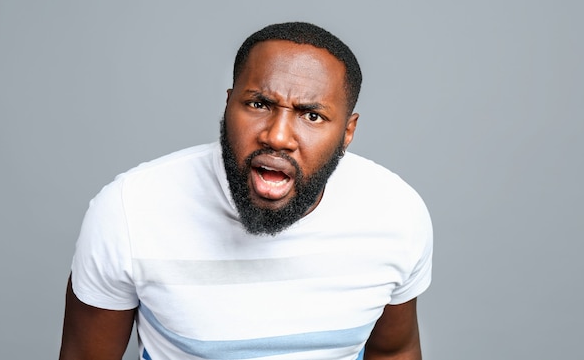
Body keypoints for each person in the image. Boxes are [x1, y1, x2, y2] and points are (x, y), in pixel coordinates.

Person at [59, 22, 433, 360]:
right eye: (258, 104)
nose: (278, 136)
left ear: (347, 132)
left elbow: (394, 351)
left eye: (312, 115)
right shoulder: (130, 209)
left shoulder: (396, 213)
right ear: (227, 104)